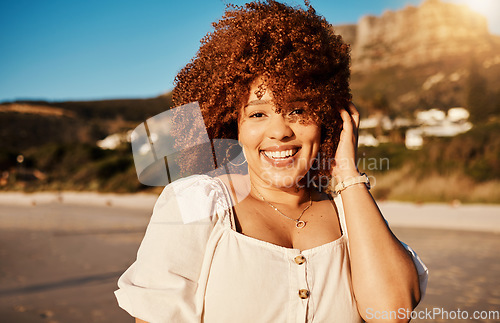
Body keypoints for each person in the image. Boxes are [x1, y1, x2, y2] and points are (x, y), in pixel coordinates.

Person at [115, 1, 428, 322]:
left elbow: (392, 312)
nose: (279, 131)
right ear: (232, 125)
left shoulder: (351, 215)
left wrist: (348, 172)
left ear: (327, 119)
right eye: (258, 113)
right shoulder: (198, 202)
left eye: (298, 110)